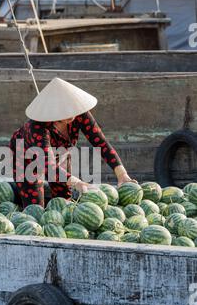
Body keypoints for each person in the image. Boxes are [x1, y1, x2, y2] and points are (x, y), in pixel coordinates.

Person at [9, 78, 136, 208]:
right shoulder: (36, 127)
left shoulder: (79, 113)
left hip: (60, 154)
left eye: (71, 107)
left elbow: (101, 143)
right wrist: (77, 182)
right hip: (26, 157)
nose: (71, 113)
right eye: (64, 110)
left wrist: (122, 175)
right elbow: (48, 165)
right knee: (35, 207)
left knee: (65, 201)